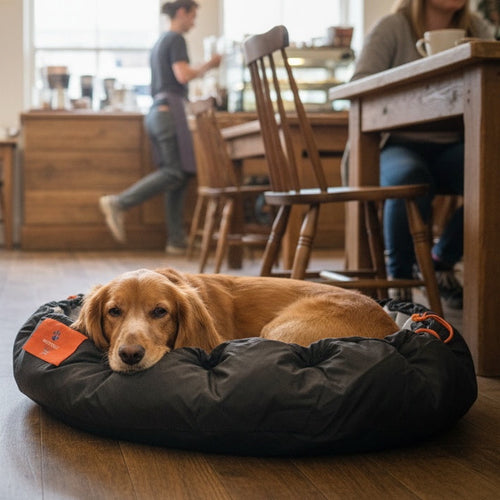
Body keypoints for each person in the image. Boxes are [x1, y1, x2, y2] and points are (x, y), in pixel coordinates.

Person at [351, 0, 494, 309]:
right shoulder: (393, 27)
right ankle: (399, 285)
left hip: (454, 144)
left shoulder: (478, 29)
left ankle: (441, 258)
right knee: (410, 178)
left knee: (494, 173)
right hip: (397, 143)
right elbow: (358, 85)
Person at [99, 0, 222, 254]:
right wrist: (210, 64)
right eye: (193, 17)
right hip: (168, 111)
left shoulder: (159, 42)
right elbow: (183, 75)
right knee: (175, 172)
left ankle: (176, 240)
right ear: (181, 12)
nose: (194, 23)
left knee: (179, 176)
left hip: (159, 111)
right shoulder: (175, 39)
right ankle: (119, 202)